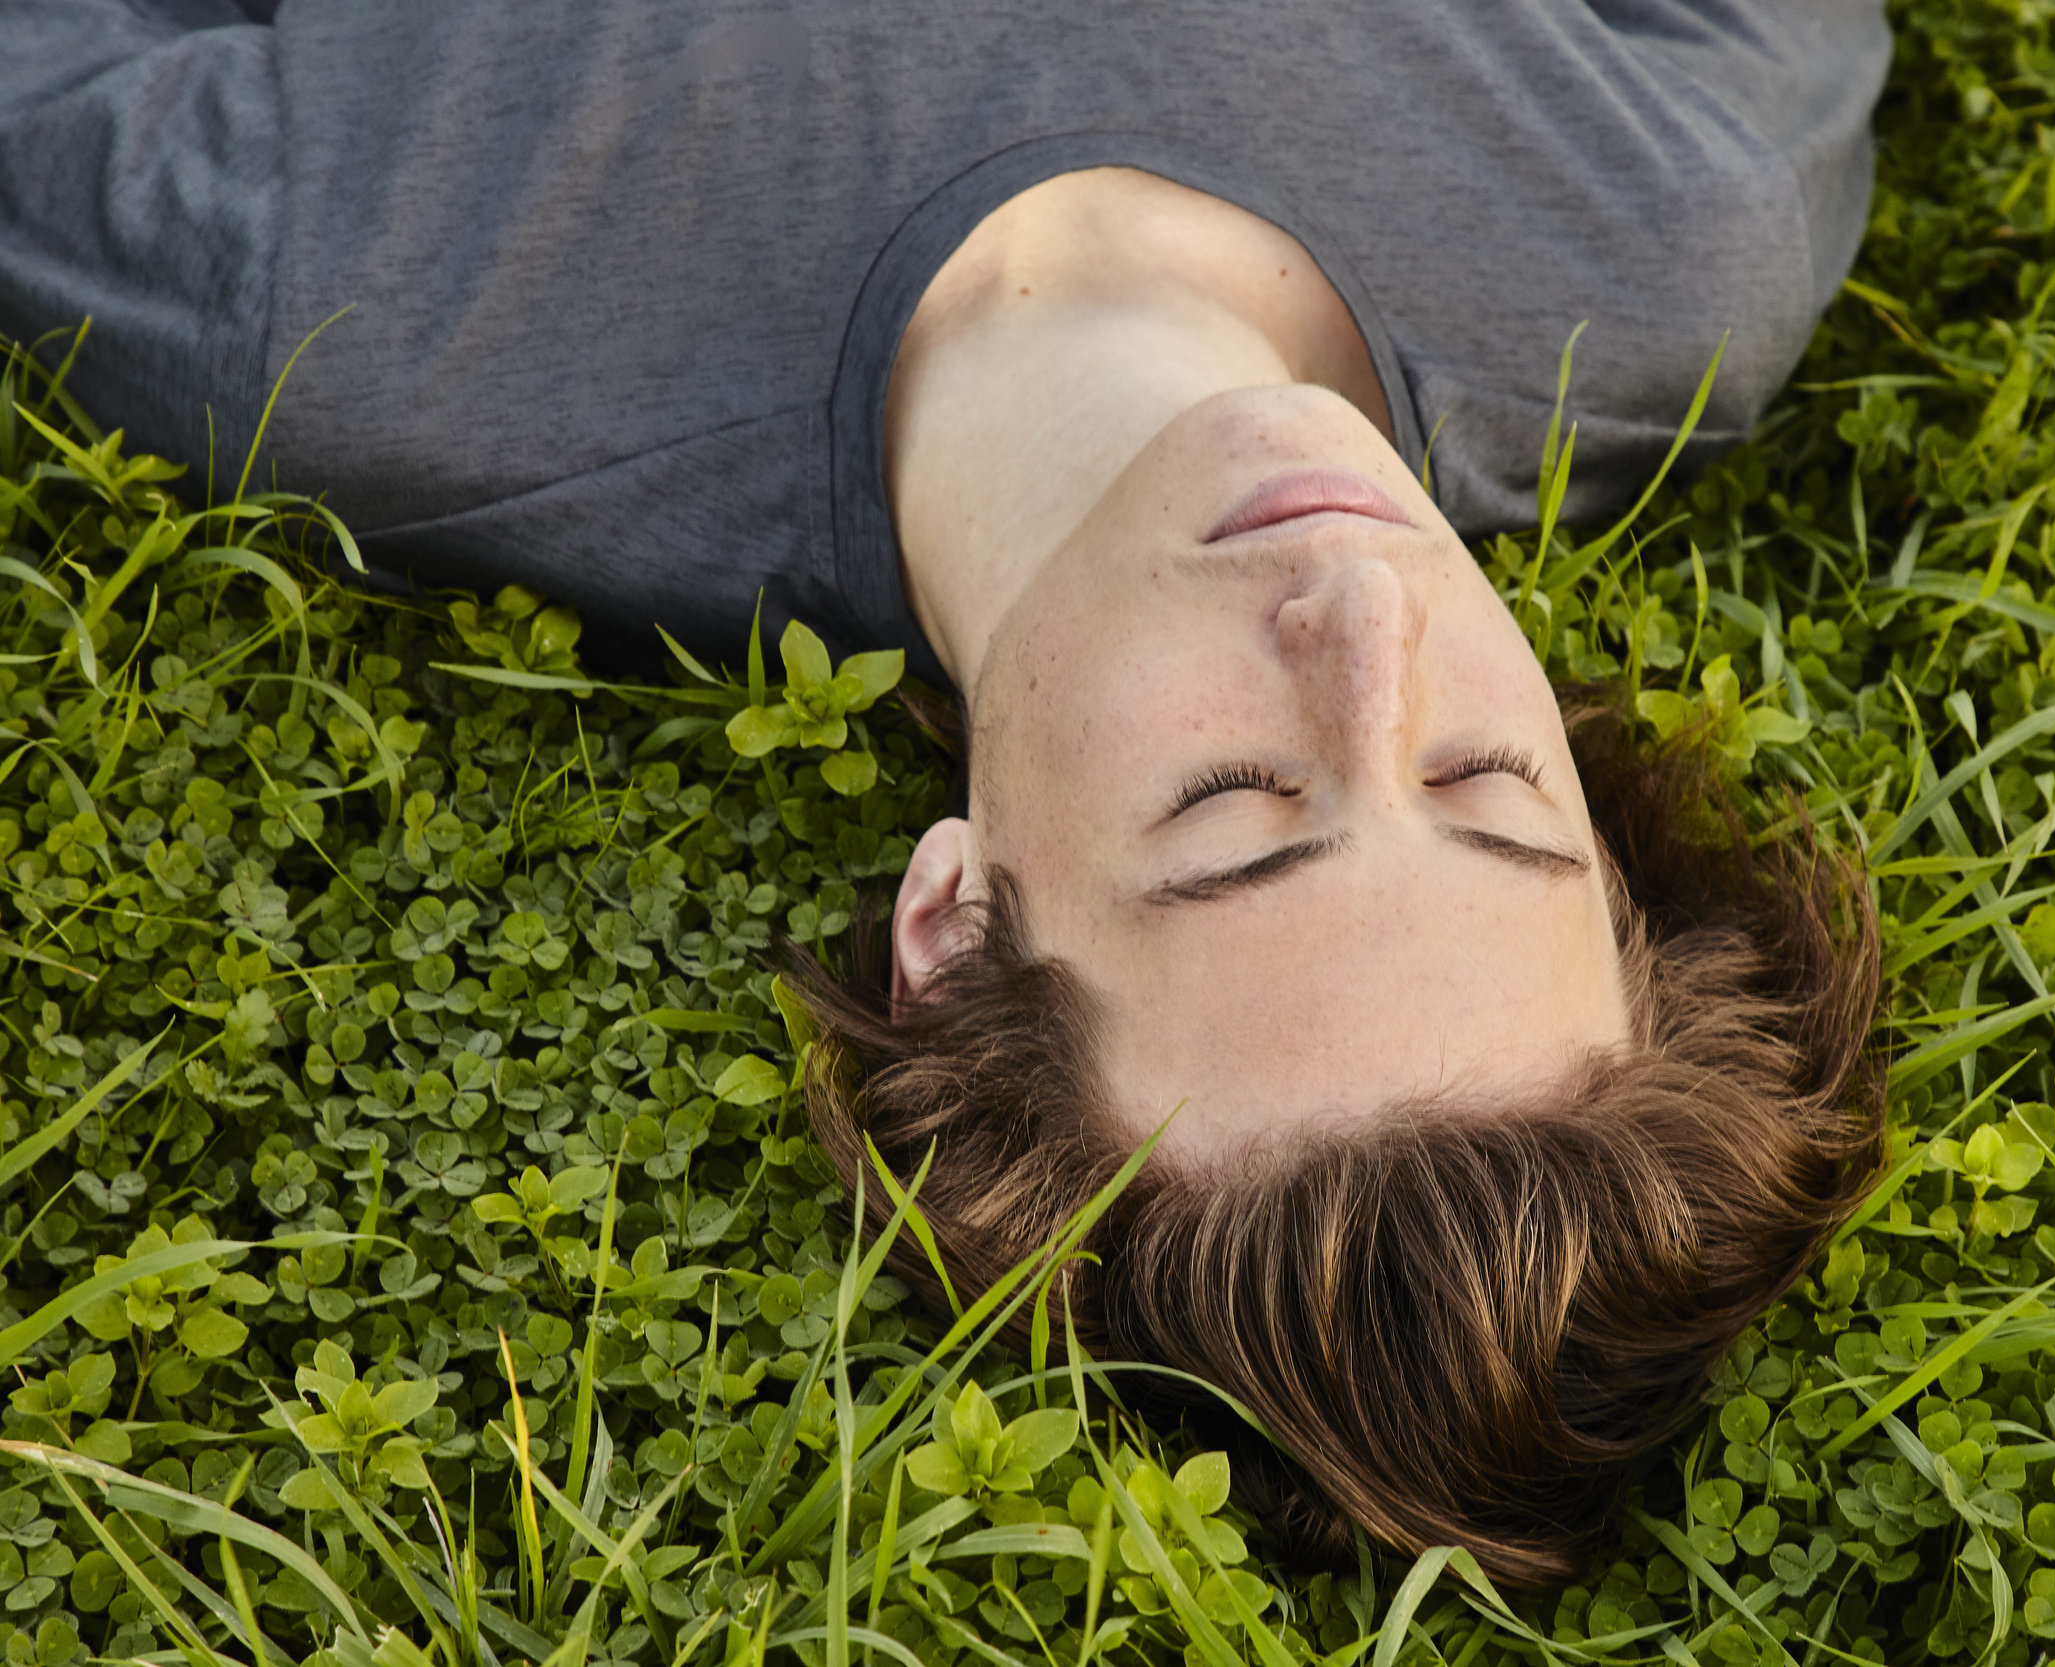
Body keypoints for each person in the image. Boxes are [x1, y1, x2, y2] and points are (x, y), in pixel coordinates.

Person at [2, 0, 1890, 1581]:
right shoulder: (1661, 224)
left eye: (1234, 803)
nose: (1365, 621)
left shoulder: (359, 312)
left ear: (954, 923)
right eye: (1486, 782)